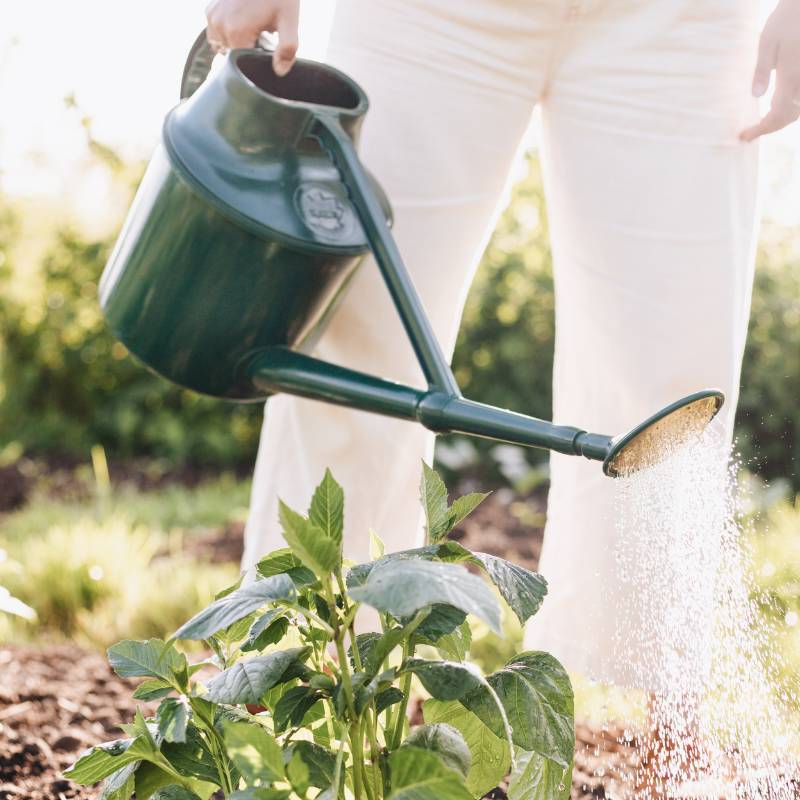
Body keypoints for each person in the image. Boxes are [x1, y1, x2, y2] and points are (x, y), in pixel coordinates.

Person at [205, 0, 800, 794]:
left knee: (677, 367)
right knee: (357, 338)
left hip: (678, 19)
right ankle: (311, 725)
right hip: (431, 15)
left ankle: (675, 755)